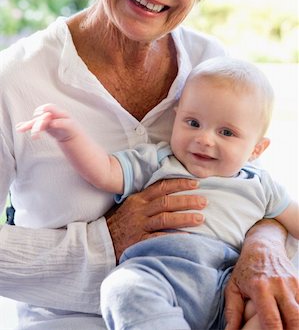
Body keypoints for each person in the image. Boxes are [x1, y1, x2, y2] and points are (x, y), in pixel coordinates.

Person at [0, 0, 298, 329]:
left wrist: (264, 244)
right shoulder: (16, 80)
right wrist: (108, 241)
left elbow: (250, 188)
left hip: (208, 306)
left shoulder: (212, 64)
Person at [17, 56, 299, 330]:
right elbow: (104, 171)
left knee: (276, 307)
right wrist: (70, 136)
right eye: (193, 123)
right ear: (176, 118)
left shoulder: (261, 184)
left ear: (256, 149)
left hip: (230, 283)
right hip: (158, 273)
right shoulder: (160, 160)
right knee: (122, 288)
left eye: (226, 132)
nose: (204, 139)